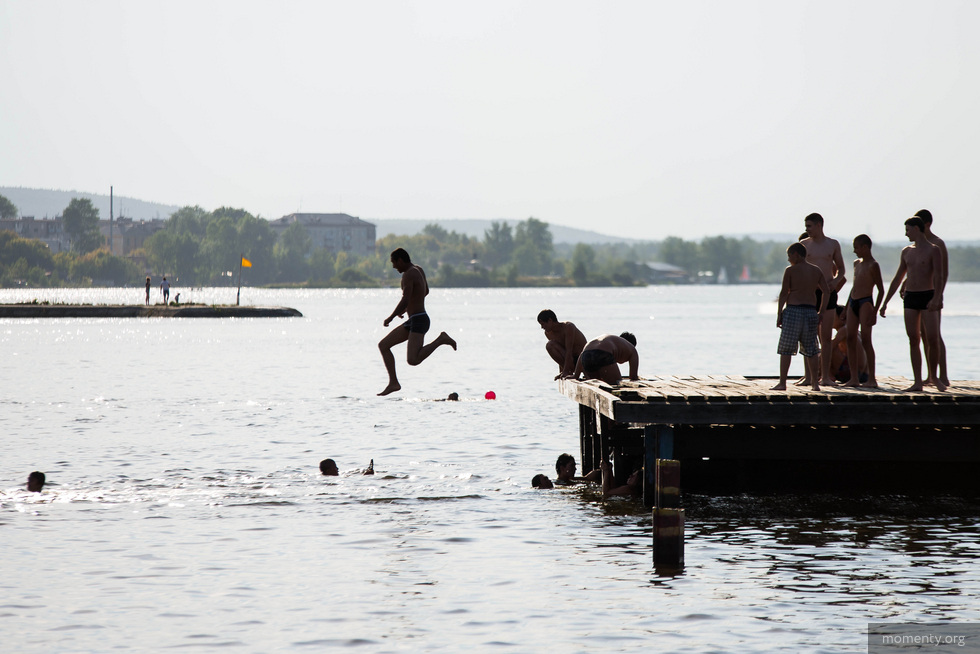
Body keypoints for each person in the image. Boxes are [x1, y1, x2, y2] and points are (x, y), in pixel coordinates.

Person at [377, 248, 457, 396]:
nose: (394, 267)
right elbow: (425, 291)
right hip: (415, 319)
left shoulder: (408, 274)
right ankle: (393, 382)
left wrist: (392, 316)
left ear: (400, 260)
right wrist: (408, 308)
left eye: (394, 263)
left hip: (419, 320)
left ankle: (441, 339)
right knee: (383, 345)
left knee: (413, 360)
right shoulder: (418, 269)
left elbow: (405, 298)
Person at [880, 217, 945, 392]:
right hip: (910, 297)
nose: (906, 233)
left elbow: (939, 276)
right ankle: (917, 381)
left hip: (928, 296)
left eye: (908, 230)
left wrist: (937, 298)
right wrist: (885, 302)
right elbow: (897, 278)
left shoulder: (934, 250)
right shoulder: (906, 251)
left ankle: (934, 377)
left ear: (917, 229)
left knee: (932, 338)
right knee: (913, 338)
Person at [771, 242, 829, 391]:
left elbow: (784, 293)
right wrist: (821, 311)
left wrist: (779, 314)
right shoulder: (816, 270)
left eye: (789, 255)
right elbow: (826, 291)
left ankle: (782, 382)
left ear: (796, 254)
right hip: (810, 311)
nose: (788, 259)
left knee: (786, 349)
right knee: (811, 349)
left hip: (793, 311)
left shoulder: (790, 270)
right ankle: (815, 384)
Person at [800, 213, 846, 385]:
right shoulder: (804, 245)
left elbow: (842, 270)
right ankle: (808, 376)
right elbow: (798, 270)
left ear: (819, 225)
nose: (807, 229)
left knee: (825, 336)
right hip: (810, 294)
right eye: (806, 226)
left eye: (809, 226)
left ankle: (825, 377)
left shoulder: (832, 244)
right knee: (808, 337)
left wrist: (834, 282)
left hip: (828, 292)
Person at [844, 234, 884, 387]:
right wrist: (846, 307)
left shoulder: (873, 265)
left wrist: (875, 311)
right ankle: (854, 378)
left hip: (866, 303)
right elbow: (854, 287)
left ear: (865, 247)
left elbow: (881, 290)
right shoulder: (856, 263)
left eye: (857, 247)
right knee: (850, 338)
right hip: (853, 302)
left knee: (866, 340)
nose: (854, 251)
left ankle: (871, 379)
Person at [916, 209, 950, 387]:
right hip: (919, 295)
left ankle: (943, 375)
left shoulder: (937, 243)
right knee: (923, 335)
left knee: (935, 335)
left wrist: (938, 296)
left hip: (933, 296)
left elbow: (942, 273)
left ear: (927, 225)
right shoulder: (919, 245)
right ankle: (930, 375)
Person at [568, 333, 639, 385]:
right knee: (616, 384)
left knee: (598, 384)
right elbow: (633, 377)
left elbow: (582, 354)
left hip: (586, 356)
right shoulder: (632, 350)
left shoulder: (614, 341)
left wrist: (576, 375)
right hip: (602, 354)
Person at [537, 309, 587, 380]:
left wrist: (566, 371)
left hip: (583, 361)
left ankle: (568, 371)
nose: (542, 327)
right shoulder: (548, 333)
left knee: (552, 345)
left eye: (543, 324)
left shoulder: (568, 327)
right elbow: (560, 352)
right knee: (550, 345)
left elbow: (568, 351)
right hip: (571, 362)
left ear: (550, 321)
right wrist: (562, 372)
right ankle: (567, 371)